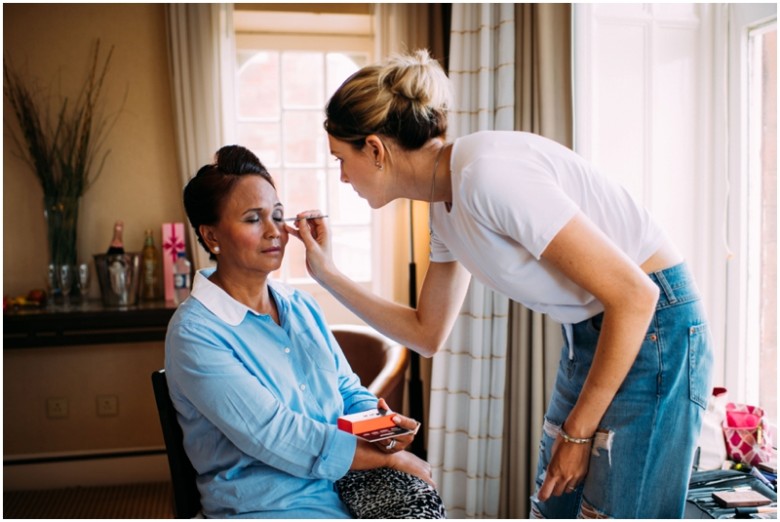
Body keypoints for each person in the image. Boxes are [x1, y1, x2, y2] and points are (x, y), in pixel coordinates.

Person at [287, 50, 714, 519]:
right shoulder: (444, 204)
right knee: (554, 505)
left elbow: (636, 295)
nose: (343, 177)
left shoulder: (487, 174)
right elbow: (427, 334)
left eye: (341, 160)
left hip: (653, 329)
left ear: (374, 148)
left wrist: (576, 435)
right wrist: (327, 274)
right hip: (591, 334)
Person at [165, 145, 441, 518]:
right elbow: (276, 435)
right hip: (270, 506)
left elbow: (344, 389)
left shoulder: (300, 306)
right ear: (212, 236)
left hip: (343, 486)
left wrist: (383, 429)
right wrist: (386, 460)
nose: (274, 231)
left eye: (278, 215)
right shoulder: (195, 335)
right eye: (253, 219)